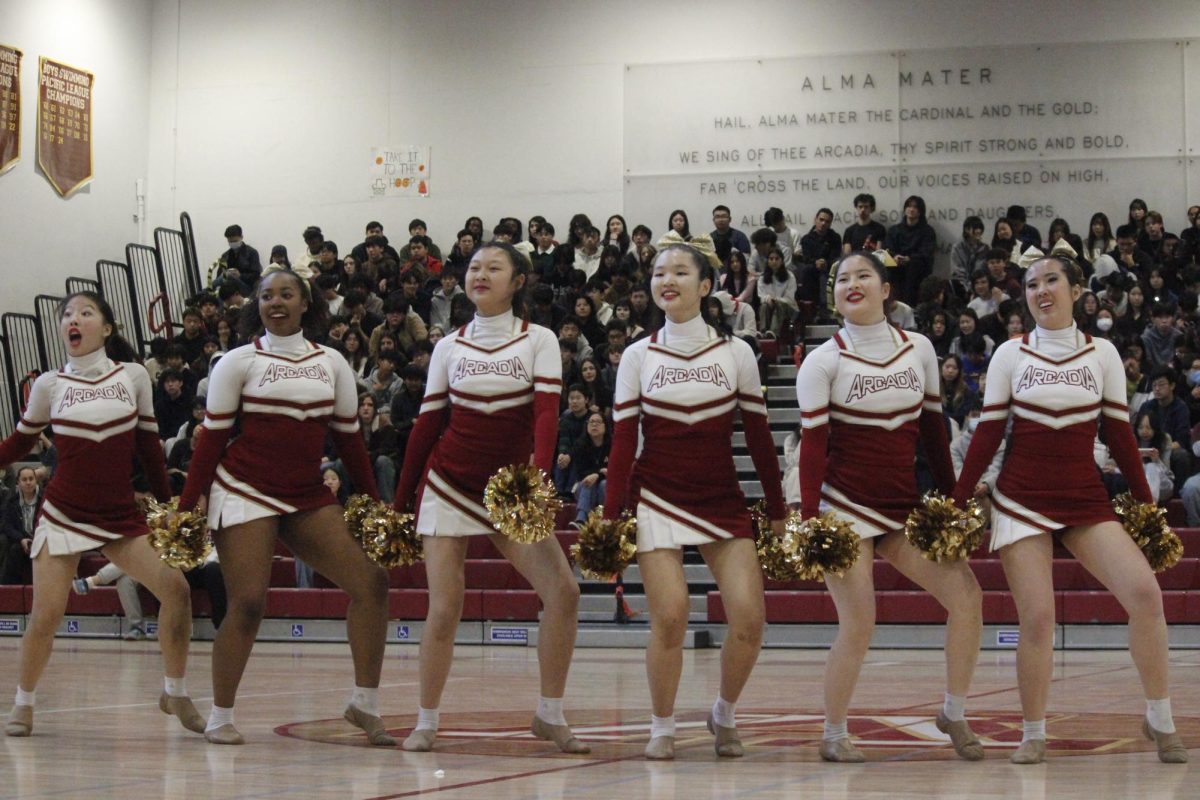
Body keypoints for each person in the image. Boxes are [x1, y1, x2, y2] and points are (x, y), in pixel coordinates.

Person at [952, 253, 1186, 764]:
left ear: (1077, 290)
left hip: (1084, 497)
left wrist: (1146, 508)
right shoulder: (1011, 354)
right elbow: (989, 433)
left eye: (1052, 281)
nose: (1041, 291)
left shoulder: (1102, 352)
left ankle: (1160, 716)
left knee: (1145, 595)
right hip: (1021, 498)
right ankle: (1032, 731)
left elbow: (1120, 434)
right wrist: (958, 497)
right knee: (1037, 618)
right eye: (1032, 284)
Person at [177, 269, 392, 746]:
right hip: (244, 488)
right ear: (258, 304)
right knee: (249, 602)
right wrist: (187, 506)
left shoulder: (331, 362)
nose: (276, 302)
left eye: (286, 294)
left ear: (304, 301)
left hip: (306, 494)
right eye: (267, 295)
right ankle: (221, 716)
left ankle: (364, 704)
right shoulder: (236, 361)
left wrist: (377, 504)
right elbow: (211, 441)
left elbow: (350, 441)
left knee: (372, 582)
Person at [392, 241, 586, 754]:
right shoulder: (448, 346)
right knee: (444, 607)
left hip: (509, 491)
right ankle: (426, 720)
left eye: (493, 267)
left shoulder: (537, 339)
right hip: (449, 484)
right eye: (474, 267)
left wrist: (536, 485)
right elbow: (427, 425)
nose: (481, 274)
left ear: (517, 280)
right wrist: (400, 499)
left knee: (564, 593)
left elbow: (546, 416)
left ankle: (549, 713)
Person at [796, 252, 983, 763]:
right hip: (843, 510)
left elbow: (932, 431)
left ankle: (954, 711)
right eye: (840, 278)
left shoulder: (917, 348)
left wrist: (952, 500)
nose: (850, 284)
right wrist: (813, 522)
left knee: (967, 597)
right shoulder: (823, 360)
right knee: (859, 623)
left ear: (885, 289)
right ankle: (834, 733)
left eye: (862, 276)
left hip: (902, 507)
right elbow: (812, 450)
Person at [604, 238, 787, 760]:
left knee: (750, 619)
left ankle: (723, 712)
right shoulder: (638, 355)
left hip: (721, 498)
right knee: (671, 615)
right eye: (660, 272)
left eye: (681, 272)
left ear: (706, 286)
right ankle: (661, 725)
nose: (667, 280)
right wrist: (615, 516)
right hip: (657, 496)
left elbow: (758, 439)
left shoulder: (736, 353)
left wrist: (775, 511)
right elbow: (621, 445)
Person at [0, 292, 205, 738]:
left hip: (118, 516)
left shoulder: (132, 376)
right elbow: (18, 444)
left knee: (178, 590)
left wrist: (169, 506)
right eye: (67, 315)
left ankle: (175, 690)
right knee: (46, 615)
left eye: (85, 313)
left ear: (107, 328)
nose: (74, 320)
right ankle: (24, 702)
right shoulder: (49, 385)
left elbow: (150, 446)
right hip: (63, 513)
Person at [0, 466, 41, 585]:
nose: (28, 482)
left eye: (31, 479)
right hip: (20, 541)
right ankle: (9, 590)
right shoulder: (12, 501)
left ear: (36, 480)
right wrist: (21, 539)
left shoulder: (44, 499)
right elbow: (6, 526)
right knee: (14, 550)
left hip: (40, 539)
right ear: (18, 482)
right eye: (24, 479)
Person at [569, 411, 609, 526]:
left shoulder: (612, 445)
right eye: (591, 422)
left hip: (604, 486)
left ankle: (605, 519)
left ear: (605, 426)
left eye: (598, 422)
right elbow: (581, 473)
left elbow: (614, 471)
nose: (594, 425)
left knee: (604, 484)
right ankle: (581, 520)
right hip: (583, 487)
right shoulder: (580, 445)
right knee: (588, 483)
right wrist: (599, 472)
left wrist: (597, 475)